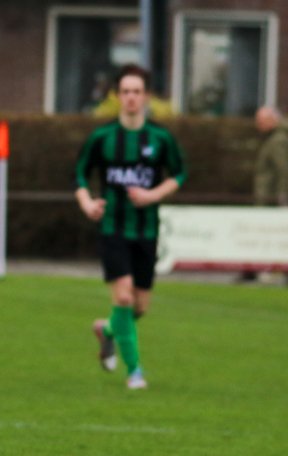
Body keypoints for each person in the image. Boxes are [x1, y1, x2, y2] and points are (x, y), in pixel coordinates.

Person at [75, 64, 187, 389]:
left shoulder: (161, 138)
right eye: (125, 92)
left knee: (139, 307)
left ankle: (107, 330)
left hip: (146, 231)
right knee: (123, 298)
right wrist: (87, 202)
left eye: (137, 92)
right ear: (117, 96)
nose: (131, 98)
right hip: (112, 228)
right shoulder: (103, 137)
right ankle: (134, 371)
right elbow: (79, 172)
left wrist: (153, 195)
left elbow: (179, 174)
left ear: (147, 96)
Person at [253, 105, 288, 207]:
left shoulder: (279, 141)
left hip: (271, 202)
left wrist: (282, 201)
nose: (258, 125)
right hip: (268, 199)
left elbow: (284, 172)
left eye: (261, 121)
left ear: (272, 120)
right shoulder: (272, 138)